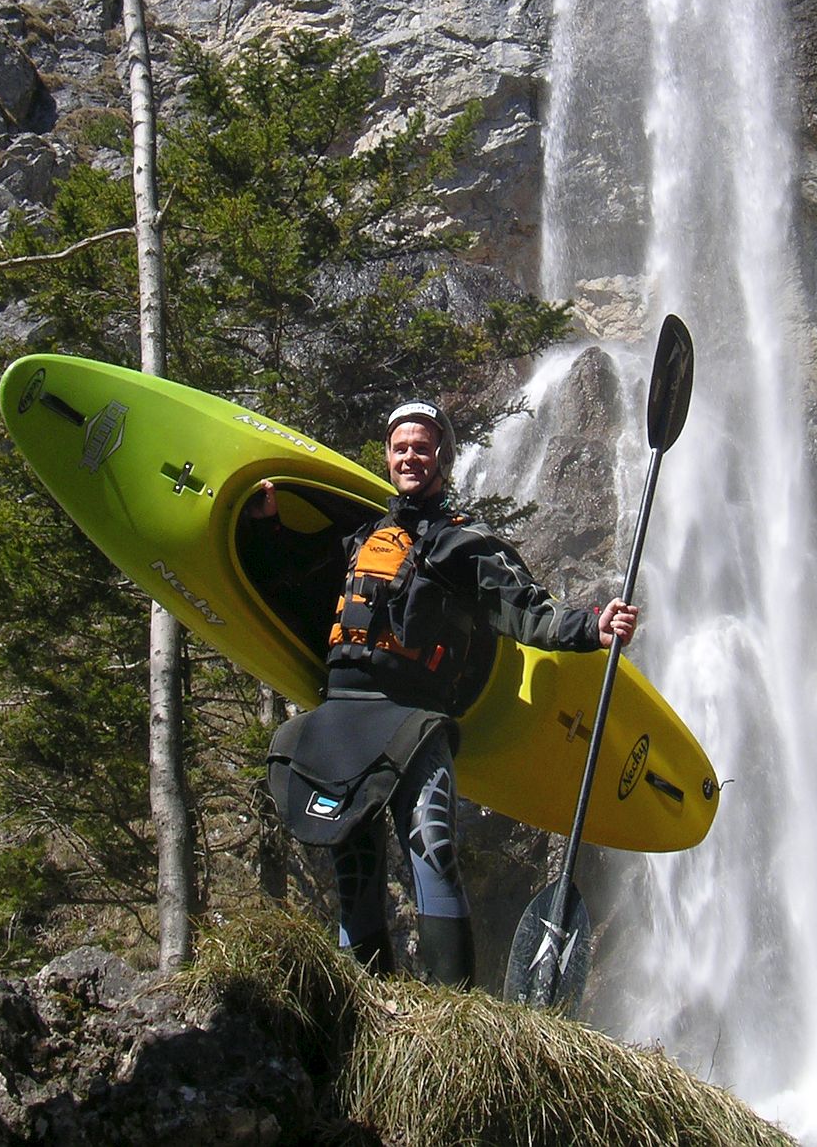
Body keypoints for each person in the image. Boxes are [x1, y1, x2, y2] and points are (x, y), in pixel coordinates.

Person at [252, 400, 638, 988]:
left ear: (443, 460)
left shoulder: (465, 545)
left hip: (413, 720)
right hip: (344, 716)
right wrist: (268, 526)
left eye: (423, 447)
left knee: (431, 847)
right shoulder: (361, 539)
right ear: (387, 458)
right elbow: (301, 584)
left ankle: (453, 1013)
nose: (410, 456)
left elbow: (524, 612)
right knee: (353, 865)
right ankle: (368, 1009)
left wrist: (592, 626)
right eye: (401, 447)